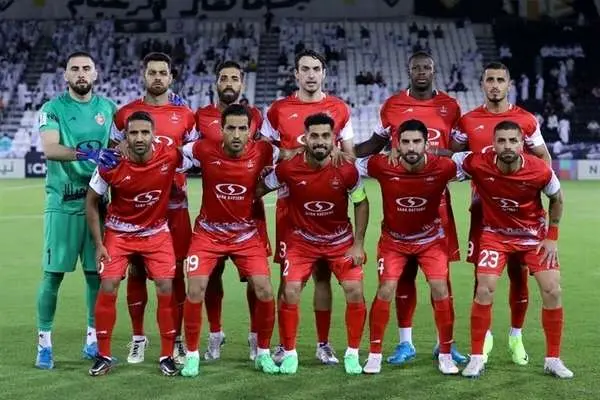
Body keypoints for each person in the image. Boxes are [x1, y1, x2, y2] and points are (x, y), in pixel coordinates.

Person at [354, 51, 466, 364]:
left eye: (426, 67)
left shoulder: (451, 106)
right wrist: (345, 152)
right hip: (401, 197)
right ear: (408, 70)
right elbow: (374, 145)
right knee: (402, 276)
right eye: (416, 67)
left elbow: (459, 152)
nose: (421, 72)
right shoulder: (392, 105)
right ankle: (406, 343)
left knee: (441, 278)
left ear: (434, 70)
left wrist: (432, 155)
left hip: (437, 202)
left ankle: (445, 344)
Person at [451, 61, 552, 365]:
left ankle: (515, 336)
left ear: (509, 84)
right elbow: (452, 157)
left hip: (521, 214)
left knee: (519, 274)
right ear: (482, 84)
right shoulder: (468, 120)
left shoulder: (526, 120)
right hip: (483, 210)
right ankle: (484, 337)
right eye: (489, 80)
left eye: (500, 80)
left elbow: (543, 159)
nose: (495, 85)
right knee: (481, 276)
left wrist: (536, 199)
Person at [454, 120, 572, 379]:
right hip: (495, 236)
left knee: (553, 290)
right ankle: (477, 357)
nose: (507, 146)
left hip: (532, 237)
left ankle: (553, 359)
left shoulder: (540, 170)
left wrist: (552, 236)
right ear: (493, 144)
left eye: (513, 140)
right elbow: (444, 162)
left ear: (522, 144)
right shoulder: (477, 162)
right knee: (484, 289)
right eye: (501, 141)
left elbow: (557, 198)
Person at [260, 49, 355, 365]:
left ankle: (323, 344)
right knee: (288, 279)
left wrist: (341, 156)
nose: (311, 74)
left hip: (328, 205)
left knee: (323, 277)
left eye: (316, 69)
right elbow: (263, 151)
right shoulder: (278, 109)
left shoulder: (339, 108)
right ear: (296, 74)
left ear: (324, 73)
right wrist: (282, 156)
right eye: (305, 69)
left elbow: (350, 156)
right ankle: (284, 344)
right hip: (290, 206)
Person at [257, 113, 369, 375]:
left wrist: (358, 244)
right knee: (290, 290)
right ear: (305, 138)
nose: (320, 141)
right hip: (302, 241)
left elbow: (361, 202)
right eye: (314, 136)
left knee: (354, 290)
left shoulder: (346, 169)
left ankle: (352, 354)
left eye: (326, 136)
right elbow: (260, 189)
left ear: (334, 139)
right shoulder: (288, 169)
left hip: (339, 241)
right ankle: (290, 353)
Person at [180, 104, 282, 377]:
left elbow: (290, 157)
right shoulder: (202, 149)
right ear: (221, 129)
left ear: (251, 131)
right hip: (208, 233)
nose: (236, 134)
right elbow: (173, 153)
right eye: (231, 128)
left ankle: (263, 352)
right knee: (195, 289)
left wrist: (267, 184)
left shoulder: (265, 150)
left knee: (264, 290)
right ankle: (192, 356)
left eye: (242, 129)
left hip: (245, 234)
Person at [111, 52, 197, 365]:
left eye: (163, 72)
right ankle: (138, 338)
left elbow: (193, 156)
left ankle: (176, 339)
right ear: (143, 75)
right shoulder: (125, 114)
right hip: (136, 210)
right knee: (136, 269)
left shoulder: (186, 115)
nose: (157, 77)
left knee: (175, 273)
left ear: (171, 77)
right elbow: (113, 155)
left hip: (175, 206)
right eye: (152, 72)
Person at [86, 111, 186, 376]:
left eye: (144, 132)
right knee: (108, 284)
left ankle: (166, 355)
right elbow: (91, 202)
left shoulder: (170, 155)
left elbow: (202, 156)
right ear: (125, 137)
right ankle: (103, 355)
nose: (139, 138)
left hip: (156, 232)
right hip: (119, 233)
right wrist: (99, 244)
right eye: (133, 133)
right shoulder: (110, 163)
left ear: (154, 135)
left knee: (166, 285)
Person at [35, 51, 118, 370]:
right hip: (63, 204)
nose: (81, 73)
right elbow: (50, 148)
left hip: (97, 205)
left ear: (95, 74)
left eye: (86, 68)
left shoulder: (108, 109)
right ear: (66, 75)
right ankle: (44, 344)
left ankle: (92, 340)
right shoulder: (52, 108)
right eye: (75, 69)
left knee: (96, 274)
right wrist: (88, 155)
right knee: (53, 275)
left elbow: (120, 148)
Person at [357, 119, 459, 375]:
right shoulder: (381, 165)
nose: (411, 147)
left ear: (426, 144)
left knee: (440, 288)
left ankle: (445, 354)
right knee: (386, 289)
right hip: (394, 242)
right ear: (397, 144)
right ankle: (375, 354)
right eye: (405, 142)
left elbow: (473, 163)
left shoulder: (443, 167)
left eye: (416, 141)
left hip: (430, 241)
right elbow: (349, 163)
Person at [195, 60, 268, 361]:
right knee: (211, 275)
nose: (228, 83)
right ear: (216, 82)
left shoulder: (256, 116)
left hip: (249, 212)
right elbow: (187, 152)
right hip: (214, 211)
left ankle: (255, 337)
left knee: (255, 279)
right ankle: (215, 334)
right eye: (223, 77)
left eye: (234, 78)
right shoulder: (200, 117)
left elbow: (267, 153)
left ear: (242, 84)